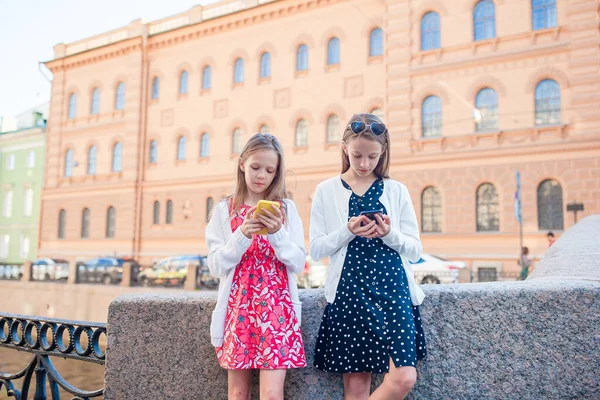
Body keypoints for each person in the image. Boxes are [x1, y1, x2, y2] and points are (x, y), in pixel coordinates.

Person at [310, 113, 427, 400]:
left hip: (394, 289)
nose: (364, 164)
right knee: (357, 388)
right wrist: (347, 230)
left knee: (403, 378)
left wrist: (389, 233)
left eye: (372, 156)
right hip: (350, 291)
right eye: (357, 155)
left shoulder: (396, 190)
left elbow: (415, 249)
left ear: (383, 153)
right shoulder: (326, 190)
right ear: (344, 149)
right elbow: (316, 250)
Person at [205, 133, 306, 400]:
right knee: (238, 393)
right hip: (238, 312)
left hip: (277, 312)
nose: (261, 175)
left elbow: (298, 262)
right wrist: (242, 236)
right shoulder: (224, 210)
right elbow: (216, 265)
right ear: (241, 164)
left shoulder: (286, 209)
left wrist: (277, 233)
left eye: (270, 170)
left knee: (272, 394)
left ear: (277, 173)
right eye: (255, 167)